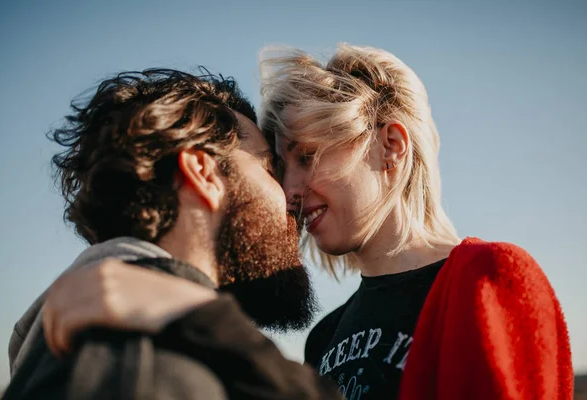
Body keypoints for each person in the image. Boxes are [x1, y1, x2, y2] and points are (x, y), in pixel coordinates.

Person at [33, 45, 574, 400]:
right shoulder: (325, 337)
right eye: (278, 166)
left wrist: (196, 314)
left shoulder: (490, 276)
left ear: (390, 145)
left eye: (307, 156)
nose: (289, 192)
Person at [3, 68, 341, 400]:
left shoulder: (67, 347)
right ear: (203, 173)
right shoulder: (152, 365)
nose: (289, 197)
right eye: (269, 168)